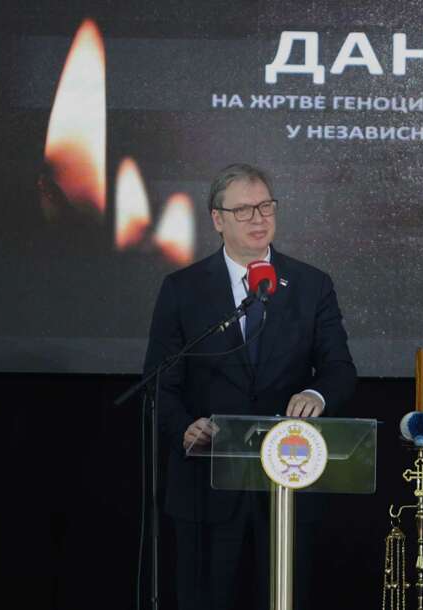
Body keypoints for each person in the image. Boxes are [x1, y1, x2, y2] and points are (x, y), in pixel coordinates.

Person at [143, 163, 357, 610]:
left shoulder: (311, 285)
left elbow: (339, 369)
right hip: (205, 487)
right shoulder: (183, 289)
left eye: (265, 207)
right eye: (243, 210)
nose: (258, 218)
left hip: (287, 485)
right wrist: (184, 428)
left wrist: (316, 395)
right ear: (217, 219)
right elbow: (160, 383)